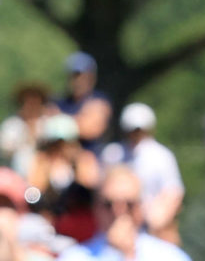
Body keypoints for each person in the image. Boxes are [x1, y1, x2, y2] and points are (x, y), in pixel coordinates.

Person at [55, 165, 190, 260]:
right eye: (109, 204)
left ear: (140, 207)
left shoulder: (169, 256)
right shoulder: (74, 257)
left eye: (129, 204)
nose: (118, 212)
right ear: (96, 208)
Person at [101, 103, 184, 246]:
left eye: (139, 129)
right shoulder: (113, 154)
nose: (135, 134)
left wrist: (157, 220)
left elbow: (173, 192)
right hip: (119, 220)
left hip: (153, 226)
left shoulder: (162, 156)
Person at [26, 114, 99, 242]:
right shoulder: (41, 161)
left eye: (64, 144)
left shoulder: (84, 159)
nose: (60, 149)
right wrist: (47, 168)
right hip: (49, 223)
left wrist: (75, 164)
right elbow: (32, 195)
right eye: (55, 144)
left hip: (77, 222)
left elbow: (91, 190)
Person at [53, 53, 112, 155]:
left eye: (80, 75)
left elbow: (91, 129)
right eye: (73, 76)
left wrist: (58, 121)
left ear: (92, 77)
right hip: (59, 158)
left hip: (90, 158)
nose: (77, 80)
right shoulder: (60, 101)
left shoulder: (99, 100)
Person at [0, 83, 50, 178]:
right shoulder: (11, 125)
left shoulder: (49, 123)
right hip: (15, 176)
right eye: (27, 102)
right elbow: (5, 149)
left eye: (35, 102)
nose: (31, 106)